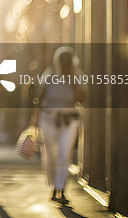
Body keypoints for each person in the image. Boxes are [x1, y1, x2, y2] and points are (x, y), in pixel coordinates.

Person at [30, 46, 86, 206]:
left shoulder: (78, 75)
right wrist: (34, 120)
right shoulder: (49, 74)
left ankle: (60, 189)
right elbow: (39, 98)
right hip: (48, 118)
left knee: (64, 154)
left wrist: (74, 81)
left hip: (69, 119)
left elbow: (81, 99)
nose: (66, 63)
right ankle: (54, 184)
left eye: (68, 60)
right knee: (51, 154)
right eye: (63, 61)